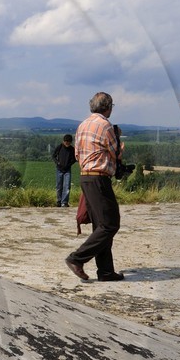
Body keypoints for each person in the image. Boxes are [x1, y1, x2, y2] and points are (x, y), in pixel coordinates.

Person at [65, 91, 124, 282]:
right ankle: (77, 258)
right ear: (108, 107)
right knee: (110, 224)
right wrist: (119, 142)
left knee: (101, 224)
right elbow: (115, 152)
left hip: (85, 176)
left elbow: (76, 154)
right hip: (99, 177)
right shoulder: (105, 125)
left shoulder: (82, 125)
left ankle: (106, 271)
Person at [52, 133, 76, 207]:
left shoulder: (72, 149)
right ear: (63, 141)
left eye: (68, 142)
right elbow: (53, 156)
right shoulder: (59, 147)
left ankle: (64, 202)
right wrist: (57, 163)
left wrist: (69, 165)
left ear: (70, 142)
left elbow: (74, 159)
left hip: (67, 170)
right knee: (59, 186)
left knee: (67, 186)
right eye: (66, 142)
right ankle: (59, 201)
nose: (67, 143)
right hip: (59, 169)